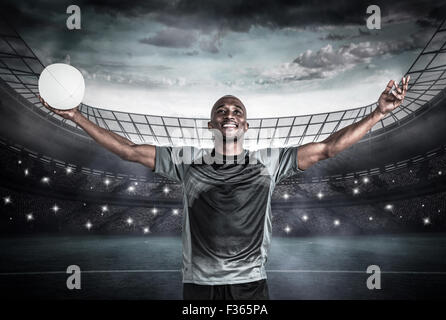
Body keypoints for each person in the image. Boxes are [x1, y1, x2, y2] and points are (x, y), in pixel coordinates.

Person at [39, 76, 410, 300]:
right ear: (210, 124)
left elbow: (329, 147)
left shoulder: (270, 161)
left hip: (251, 282)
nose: (229, 113)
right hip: (198, 283)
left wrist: (378, 113)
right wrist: (75, 115)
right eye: (221, 110)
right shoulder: (186, 160)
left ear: (245, 126)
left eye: (236, 111)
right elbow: (129, 150)